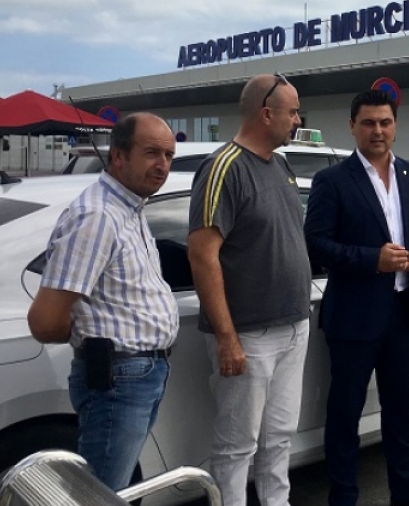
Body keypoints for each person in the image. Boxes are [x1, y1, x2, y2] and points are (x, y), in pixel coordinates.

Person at [304, 89, 409, 506]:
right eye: (368, 123)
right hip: (354, 317)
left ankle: (406, 492)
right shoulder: (332, 180)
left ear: (395, 126)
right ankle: (343, 496)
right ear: (352, 127)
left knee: (401, 411)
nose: (377, 130)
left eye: (385, 122)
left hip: (404, 315)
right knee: (345, 414)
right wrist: (373, 260)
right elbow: (316, 243)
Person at [27, 113, 179, 490]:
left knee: (109, 489)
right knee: (101, 494)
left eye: (169, 155)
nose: (162, 165)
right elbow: (45, 321)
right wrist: (93, 336)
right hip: (119, 378)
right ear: (118, 156)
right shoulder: (97, 216)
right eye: (151, 153)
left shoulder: (129, 207)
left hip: (137, 374)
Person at [187, 73, 313, 506]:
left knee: (280, 435)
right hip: (248, 335)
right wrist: (226, 337)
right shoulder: (223, 168)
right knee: (237, 444)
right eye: (293, 112)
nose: (298, 120)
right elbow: (202, 255)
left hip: (293, 326)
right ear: (266, 114)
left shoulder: (280, 164)